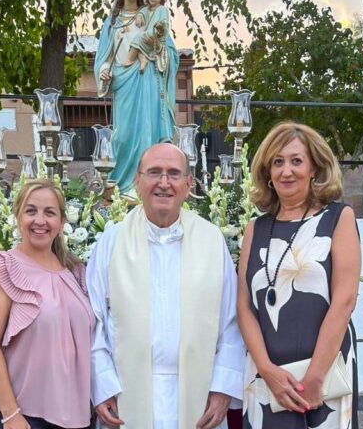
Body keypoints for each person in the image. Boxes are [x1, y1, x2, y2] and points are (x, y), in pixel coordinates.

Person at [87, 143, 245, 429]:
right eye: (154, 172)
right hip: (125, 394)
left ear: (188, 184)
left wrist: (222, 388)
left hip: (199, 396)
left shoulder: (211, 240)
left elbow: (231, 322)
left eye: (173, 173)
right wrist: (103, 385)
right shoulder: (112, 241)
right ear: (137, 181)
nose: (164, 183)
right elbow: (94, 321)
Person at [237, 122, 361, 429]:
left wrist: (315, 377)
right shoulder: (255, 229)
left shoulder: (338, 218)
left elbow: (344, 300)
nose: (286, 171)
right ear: (267, 172)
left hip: (325, 376)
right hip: (265, 379)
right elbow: (244, 307)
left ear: (314, 168)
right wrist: (266, 370)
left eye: (296, 161)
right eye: (278, 162)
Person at [0, 179, 95, 429]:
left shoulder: (75, 272)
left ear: (62, 222)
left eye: (49, 212)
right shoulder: (3, 268)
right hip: (18, 415)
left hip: (72, 415)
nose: (40, 220)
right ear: (18, 217)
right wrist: (11, 415)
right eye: (31, 211)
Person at [94, 0, 178, 193]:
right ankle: (120, 188)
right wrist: (105, 71)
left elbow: (169, 51)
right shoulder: (112, 21)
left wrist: (158, 46)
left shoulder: (151, 13)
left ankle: (145, 187)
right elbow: (105, 57)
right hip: (123, 82)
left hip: (147, 80)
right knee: (122, 137)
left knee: (148, 134)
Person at [127, 0, 169, 73]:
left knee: (138, 38)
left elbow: (165, 23)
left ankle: (129, 59)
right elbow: (141, 13)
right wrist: (139, 16)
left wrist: (160, 26)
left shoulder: (162, 9)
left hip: (155, 35)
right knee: (138, 43)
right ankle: (143, 60)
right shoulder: (146, 9)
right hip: (147, 35)